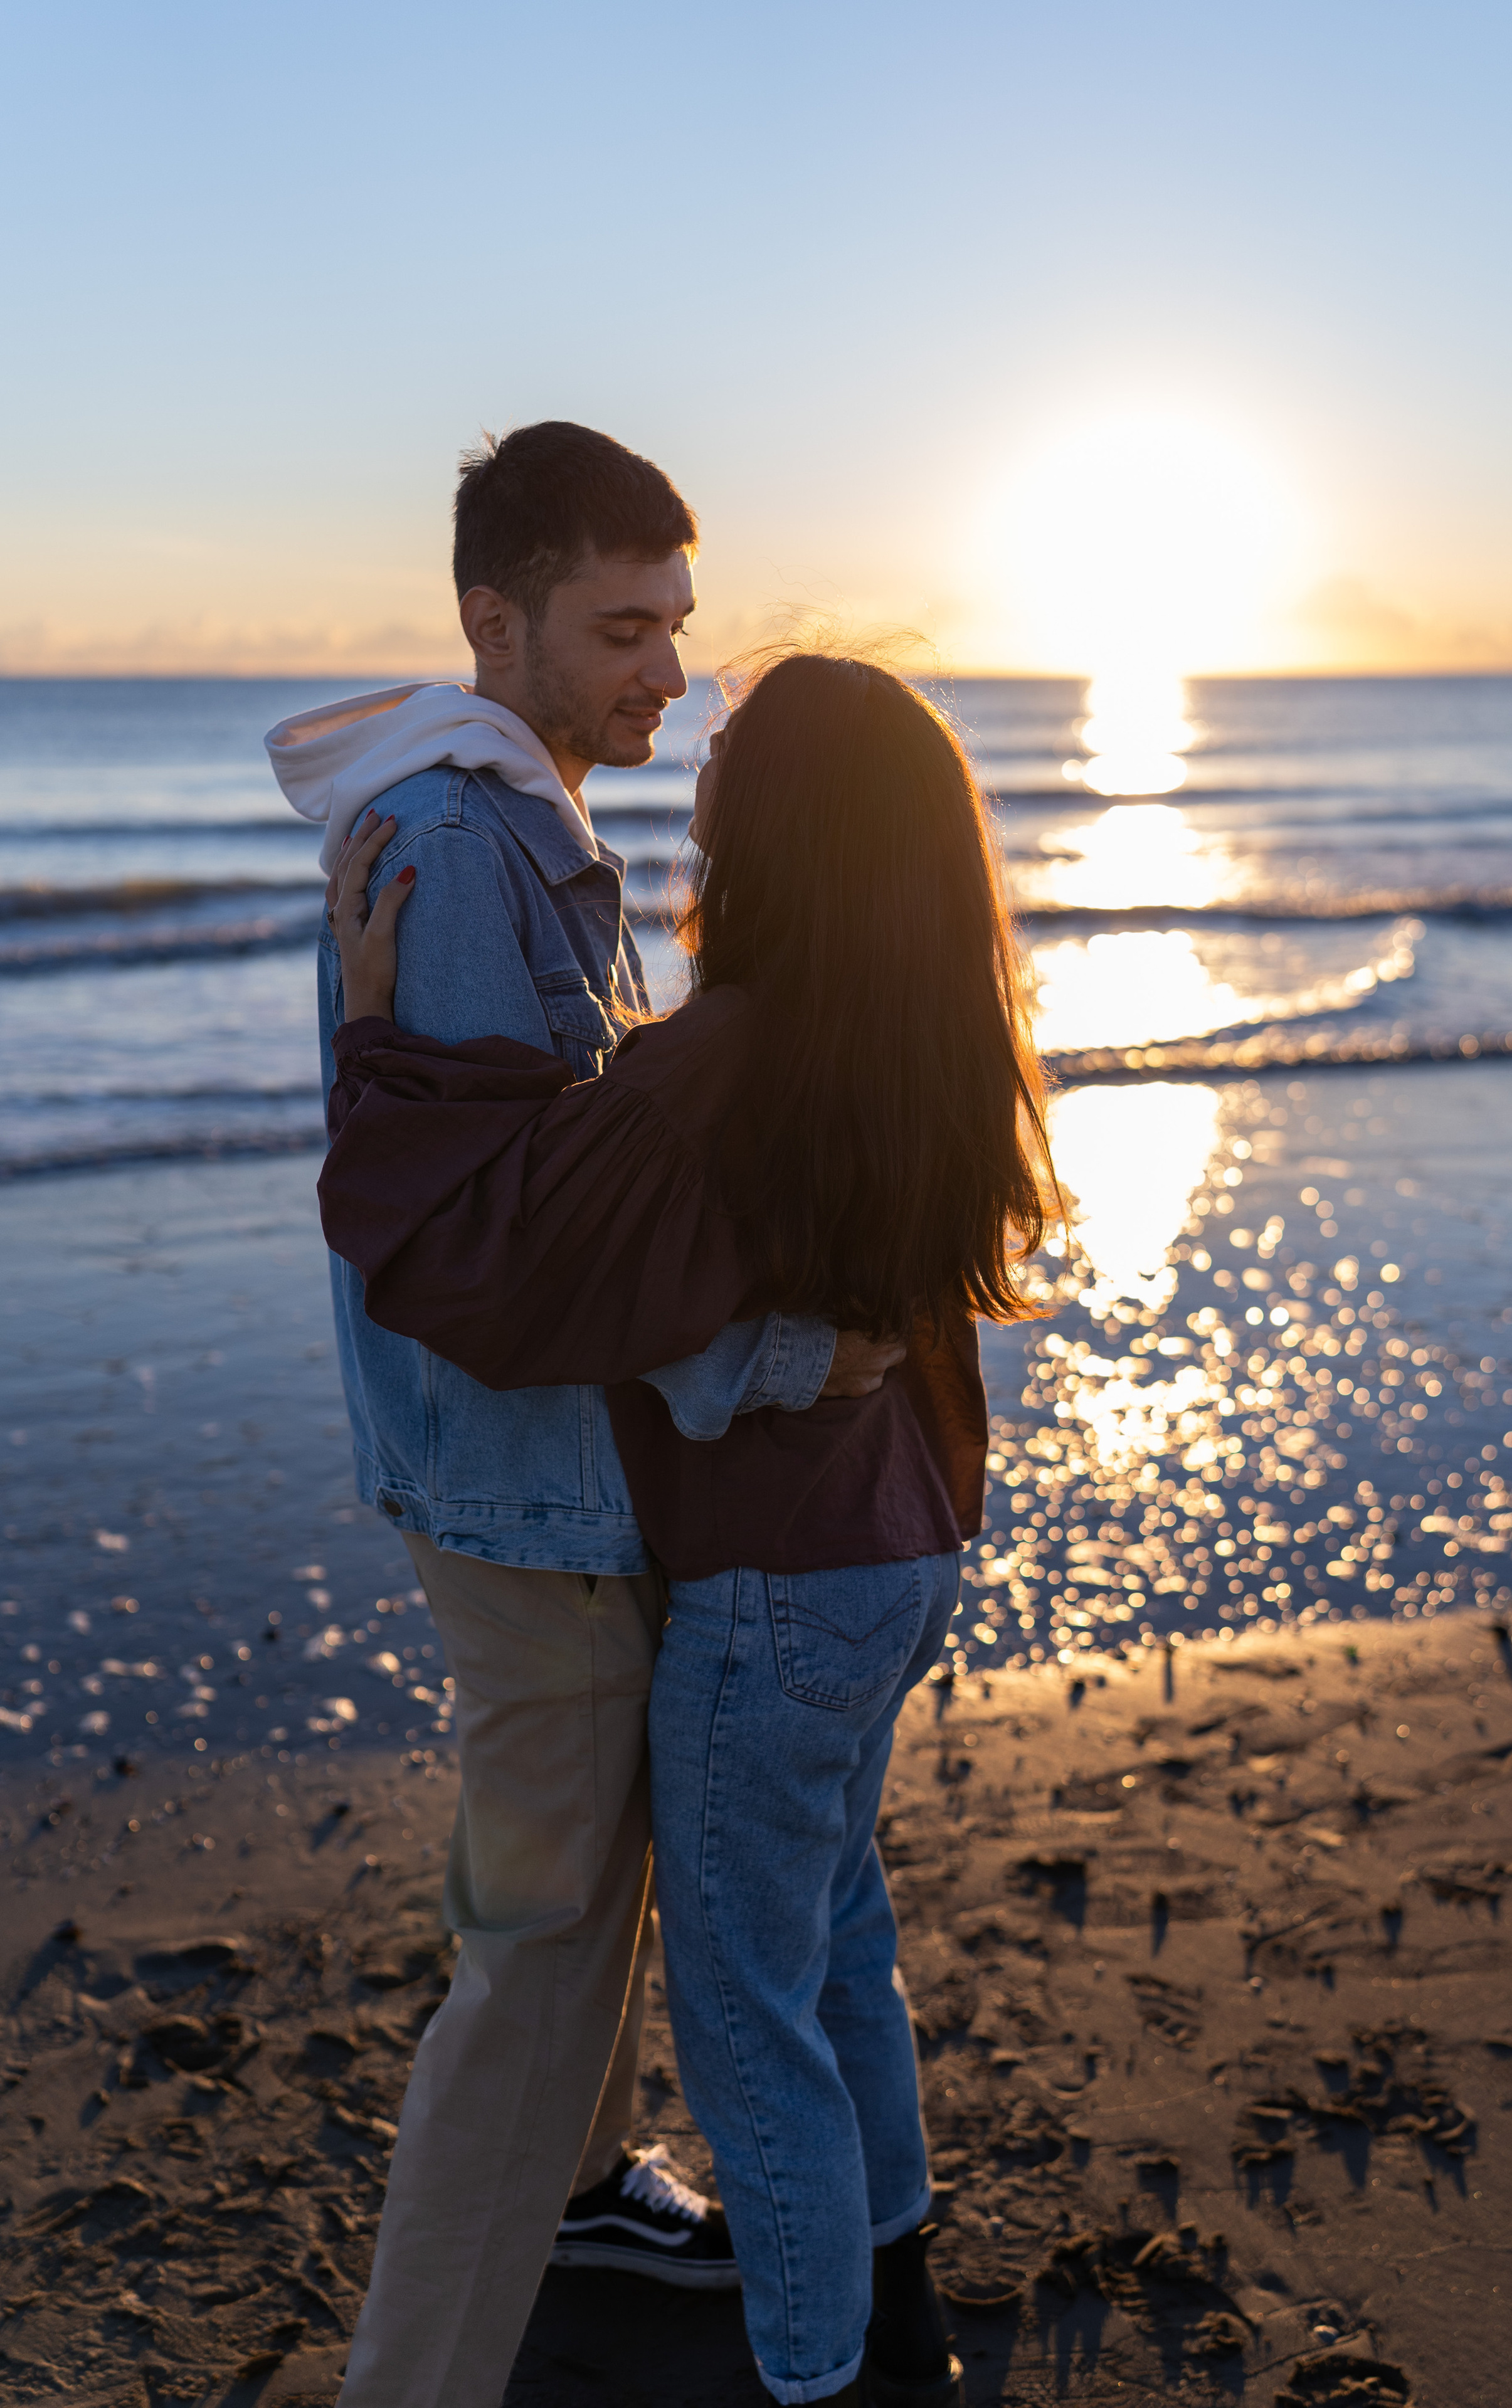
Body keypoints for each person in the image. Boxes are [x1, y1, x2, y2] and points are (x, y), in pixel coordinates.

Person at [317, 649, 1053, 2408]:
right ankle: (900, 2301)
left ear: (781, 824)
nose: (698, 753)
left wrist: (376, 1041)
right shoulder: (924, 1011)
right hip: (907, 1542)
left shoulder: (718, 1060)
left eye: (733, 746)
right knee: (839, 1938)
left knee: (742, 2016)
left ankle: (818, 2376)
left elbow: (473, 1264)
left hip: (779, 1586)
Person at [263, 426, 902, 2408]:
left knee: (588, 1907)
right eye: (621, 629)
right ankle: (422, 2381)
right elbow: (513, 1260)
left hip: (539, 1478)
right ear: (494, 618)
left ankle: (593, 2192)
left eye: (676, 627)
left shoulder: (514, 818)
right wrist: (791, 1364)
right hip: (526, 1494)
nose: (665, 676)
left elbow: (574, 1198)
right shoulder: (468, 852)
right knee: (538, 1962)